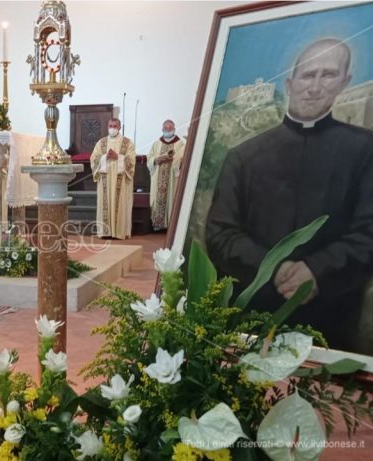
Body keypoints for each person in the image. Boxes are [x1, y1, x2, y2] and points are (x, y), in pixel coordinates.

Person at [206, 38, 373, 353]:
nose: (315, 87)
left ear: (344, 81)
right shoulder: (244, 156)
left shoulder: (365, 150)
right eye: (308, 75)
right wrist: (274, 267)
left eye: (328, 75)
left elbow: (369, 232)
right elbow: (220, 232)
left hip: (331, 318)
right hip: (253, 315)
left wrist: (318, 269)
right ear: (290, 82)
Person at [90, 117, 136, 239]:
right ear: (107, 127)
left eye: (115, 126)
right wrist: (104, 157)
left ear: (120, 127)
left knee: (120, 204)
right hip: (105, 180)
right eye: (110, 126)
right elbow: (94, 158)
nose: (112, 128)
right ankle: (105, 232)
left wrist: (118, 157)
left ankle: (119, 232)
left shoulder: (128, 143)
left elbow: (131, 161)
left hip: (120, 180)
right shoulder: (101, 143)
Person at [147, 119, 185, 231]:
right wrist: (156, 160)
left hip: (173, 178)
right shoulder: (156, 143)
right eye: (165, 128)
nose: (167, 130)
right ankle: (158, 225)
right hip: (157, 177)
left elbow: (183, 158)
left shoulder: (180, 143)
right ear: (162, 129)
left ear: (174, 129)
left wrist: (175, 160)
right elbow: (149, 158)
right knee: (157, 200)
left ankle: (171, 225)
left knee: (172, 199)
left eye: (170, 128)